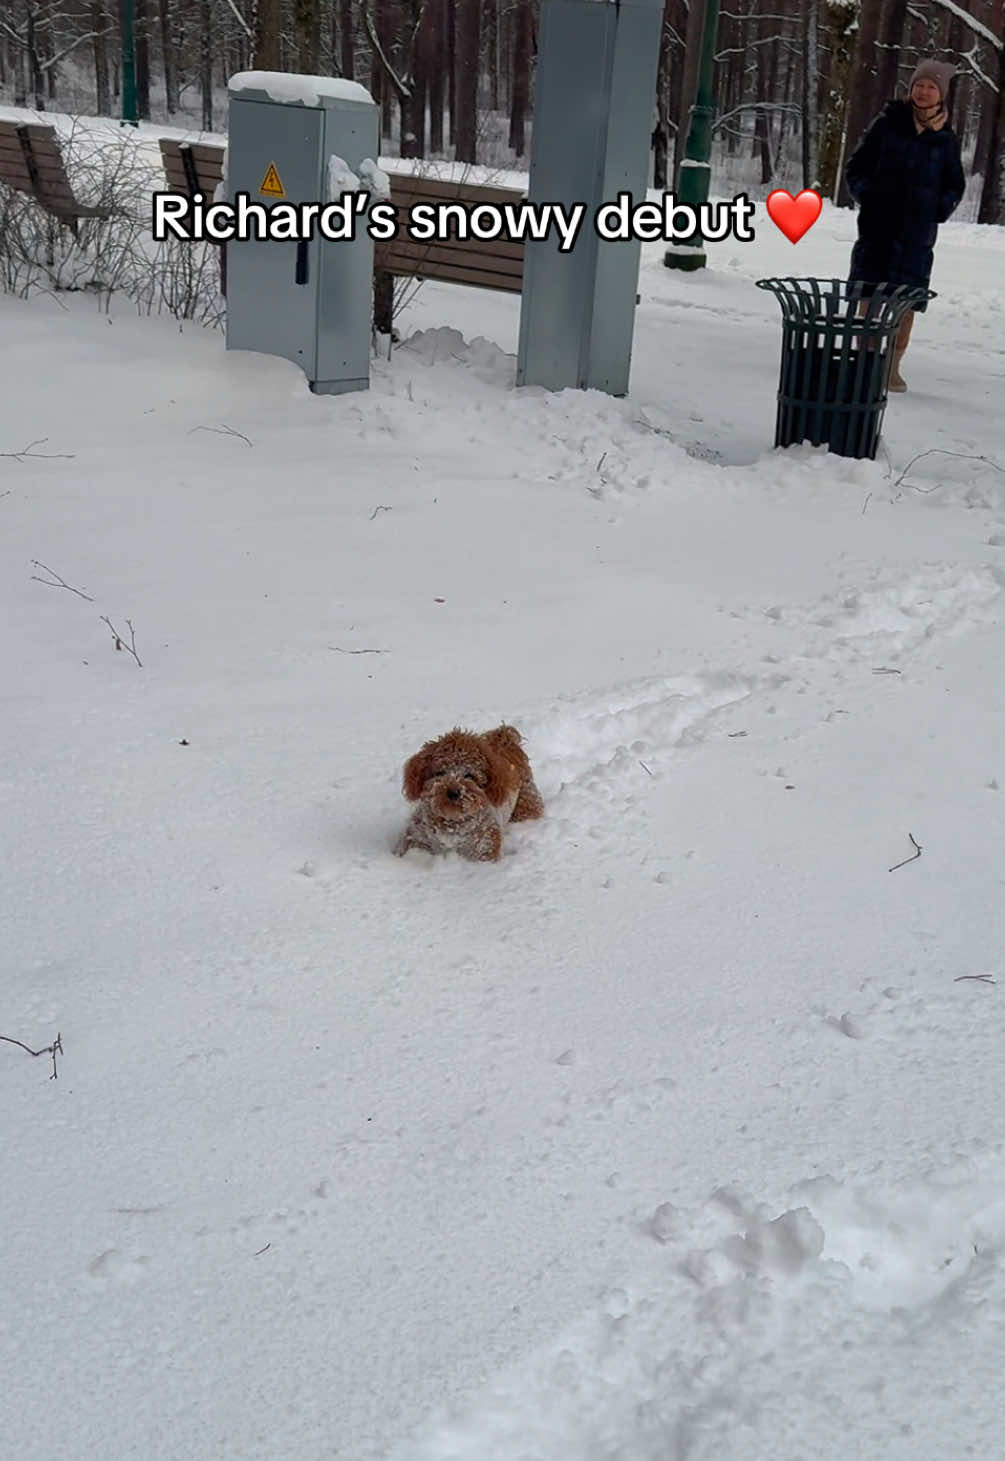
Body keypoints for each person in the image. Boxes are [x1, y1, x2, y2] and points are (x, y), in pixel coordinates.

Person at [845, 58, 966, 392]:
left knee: (906, 300)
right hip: (878, 225)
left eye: (931, 87)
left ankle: (891, 367)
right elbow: (856, 167)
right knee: (870, 293)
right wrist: (867, 196)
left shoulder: (945, 139)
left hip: (916, 233)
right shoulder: (887, 124)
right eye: (919, 85)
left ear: (940, 95)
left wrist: (936, 209)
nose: (924, 92)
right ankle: (866, 361)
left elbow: (954, 184)